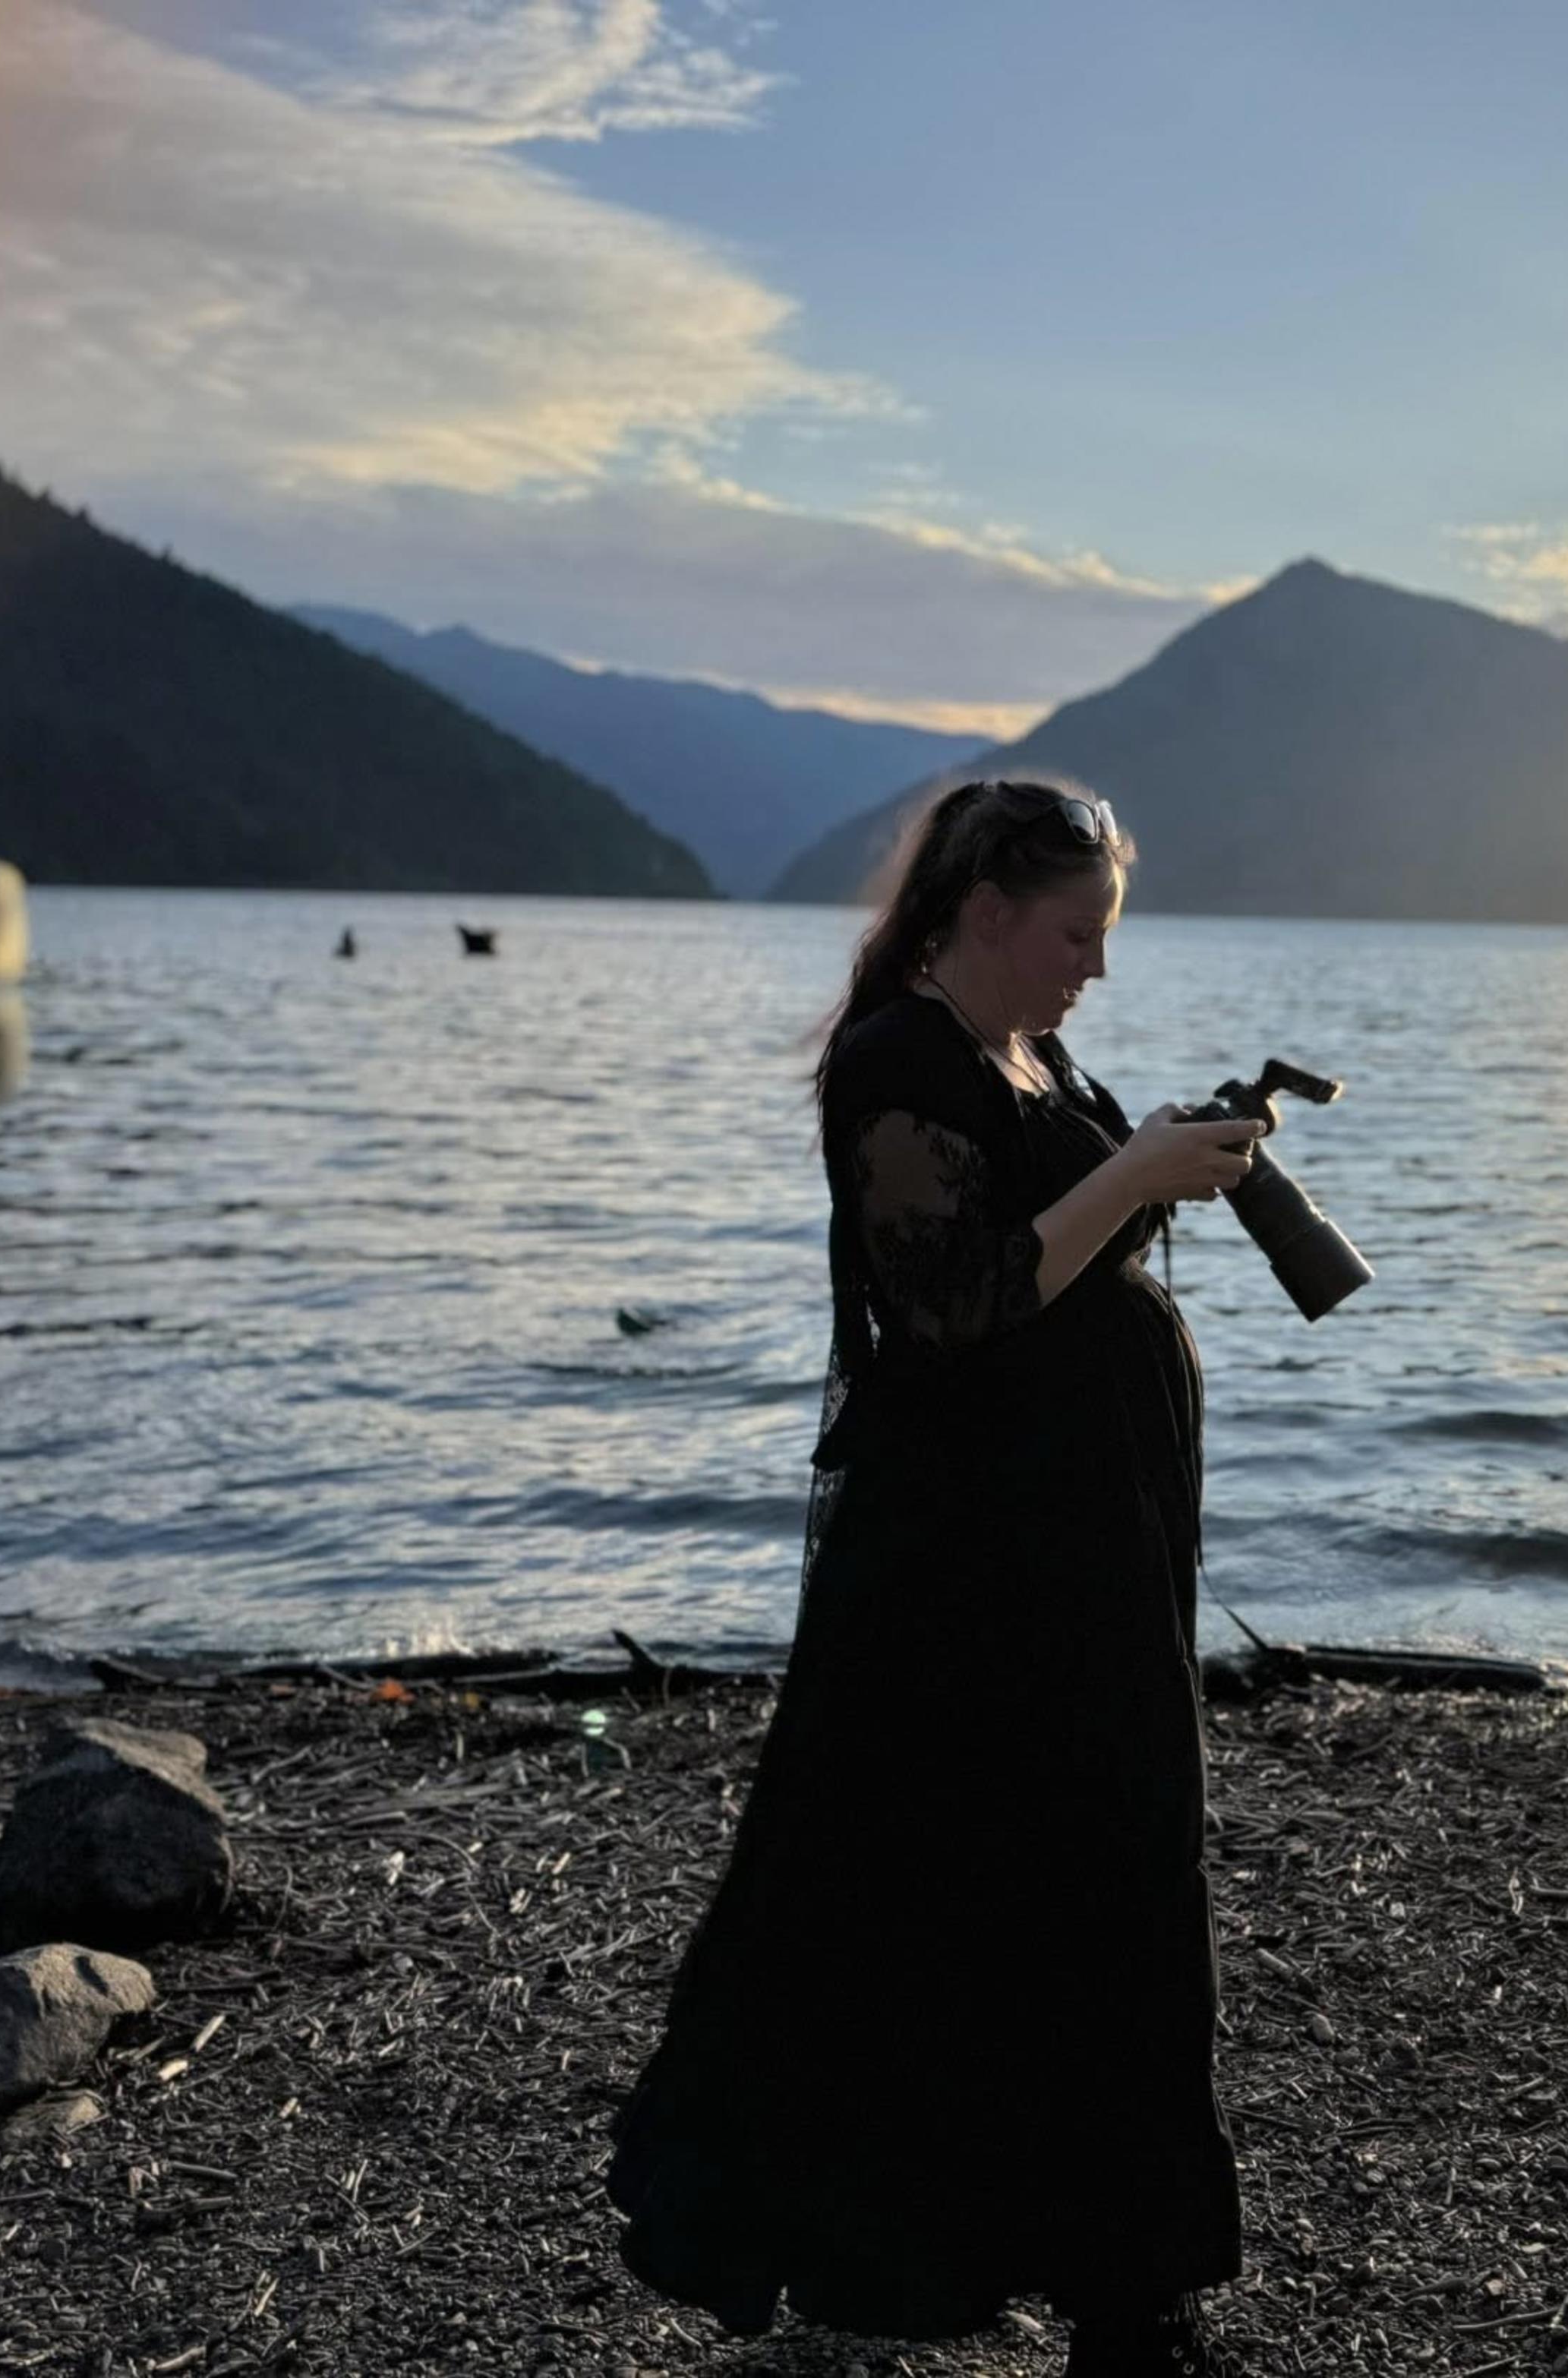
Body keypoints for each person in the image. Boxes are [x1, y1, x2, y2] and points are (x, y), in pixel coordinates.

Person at [607, 777, 1269, 2375]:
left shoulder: (1032, 1056)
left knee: (1106, 1890)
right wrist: (1133, 1180)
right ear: (984, 909)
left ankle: (1127, 2283)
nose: (1091, 968)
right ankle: (983, 2271)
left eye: (1104, 939)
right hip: (968, 1574)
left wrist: (1162, 1151)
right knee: (942, 1898)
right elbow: (956, 1307)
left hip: (1079, 1550)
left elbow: (1061, 1246)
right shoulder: (899, 1061)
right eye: (1072, 933)